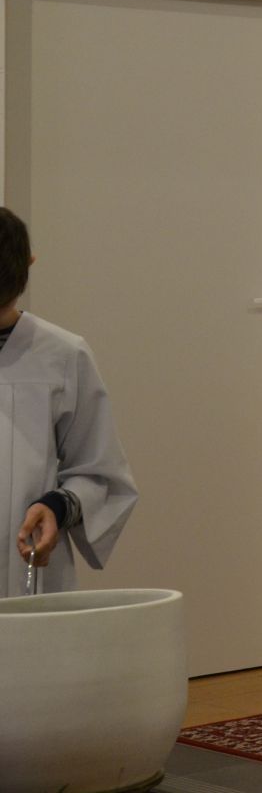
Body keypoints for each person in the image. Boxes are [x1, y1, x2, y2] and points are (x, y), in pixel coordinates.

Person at [3, 208, 138, 597]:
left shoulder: (62, 356)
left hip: (23, 569)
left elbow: (100, 474)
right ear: (31, 263)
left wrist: (58, 506)